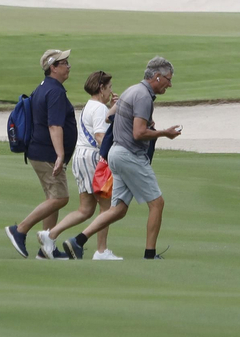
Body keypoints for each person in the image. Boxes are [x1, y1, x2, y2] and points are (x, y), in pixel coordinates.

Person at [78, 57, 183, 260]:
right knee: (157, 203)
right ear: (157, 77)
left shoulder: (131, 90)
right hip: (129, 155)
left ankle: (78, 240)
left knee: (118, 209)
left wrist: (134, 118)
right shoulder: (143, 96)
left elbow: (109, 116)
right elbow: (138, 133)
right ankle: (150, 254)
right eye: (168, 79)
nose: (170, 84)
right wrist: (164, 133)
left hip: (116, 154)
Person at [4, 48, 78, 260]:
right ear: (53, 67)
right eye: (64, 63)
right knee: (61, 198)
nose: (68, 66)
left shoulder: (44, 88)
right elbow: (55, 126)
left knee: (52, 198)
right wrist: (60, 155)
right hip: (47, 153)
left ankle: (48, 248)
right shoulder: (55, 91)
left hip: (39, 151)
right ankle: (20, 229)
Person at [38, 70, 119, 261]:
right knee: (106, 208)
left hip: (81, 157)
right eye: (109, 88)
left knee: (86, 209)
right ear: (101, 88)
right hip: (93, 158)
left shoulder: (91, 106)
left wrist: (113, 109)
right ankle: (101, 250)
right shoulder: (99, 108)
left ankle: (50, 234)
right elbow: (100, 137)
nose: (111, 92)